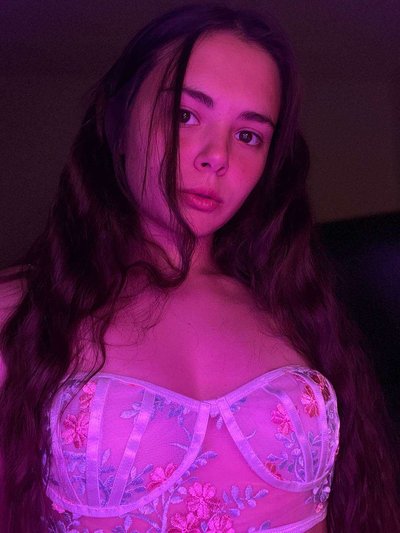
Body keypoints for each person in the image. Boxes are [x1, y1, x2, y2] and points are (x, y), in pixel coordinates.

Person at [0, 4, 398, 532]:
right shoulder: (20, 311)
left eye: (249, 135)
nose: (217, 157)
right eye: (185, 116)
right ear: (117, 117)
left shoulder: (297, 306)